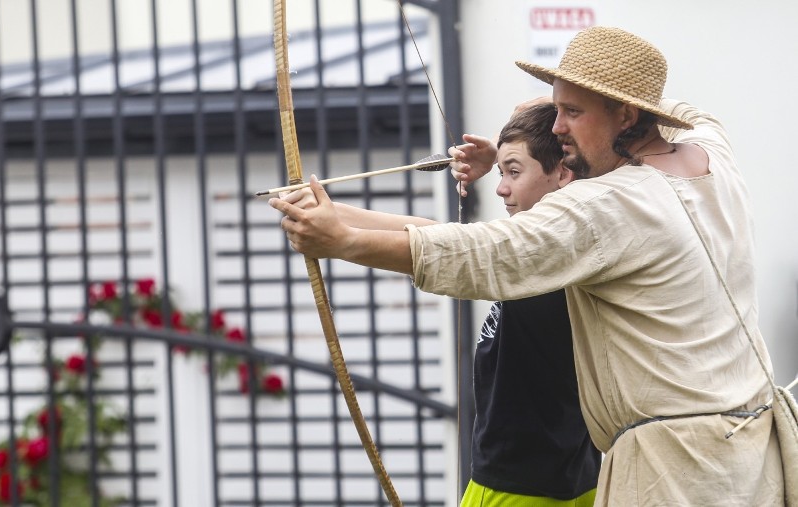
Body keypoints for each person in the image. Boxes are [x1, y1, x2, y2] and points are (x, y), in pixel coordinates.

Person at [271, 26, 784, 505]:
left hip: (677, 474)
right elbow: (679, 110)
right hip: (751, 458)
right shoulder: (713, 152)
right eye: (556, 110)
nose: (558, 126)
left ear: (626, 115)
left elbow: (487, 253)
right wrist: (554, 113)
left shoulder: (606, 206)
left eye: (573, 112)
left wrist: (342, 241)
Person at [283, 104, 600, 505]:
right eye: (502, 173)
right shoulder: (566, 242)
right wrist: (334, 214)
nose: (501, 187)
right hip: (574, 480)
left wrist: (340, 239)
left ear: (563, 174)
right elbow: (439, 235)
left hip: (519, 487)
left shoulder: (546, 251)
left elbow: (444, 248)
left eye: (513, 173)